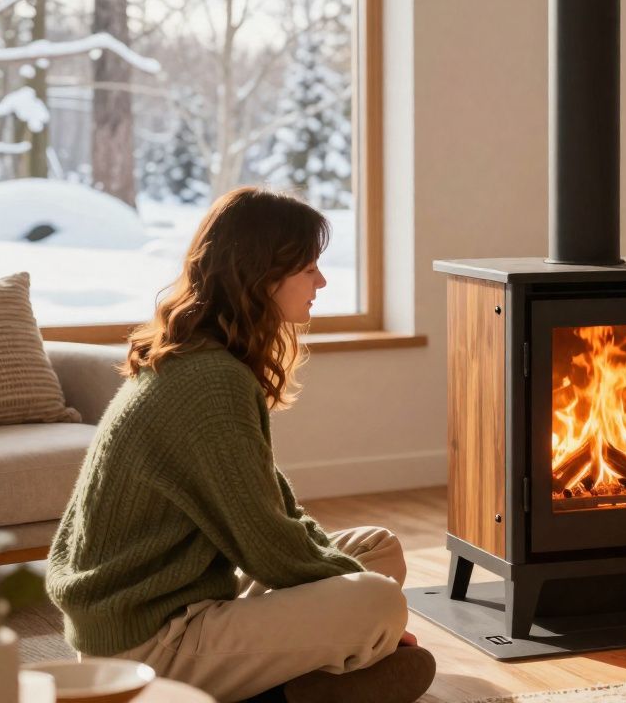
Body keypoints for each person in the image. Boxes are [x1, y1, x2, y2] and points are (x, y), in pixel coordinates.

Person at [46, 187, 436, 703]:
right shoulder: (209, 381)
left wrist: (351, 599)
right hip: (149, 641)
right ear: (262, 275)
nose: (321, 281)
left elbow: (276, 513)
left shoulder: (208, 360)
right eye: (308, 268)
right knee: (377, 600)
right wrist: (378, 617)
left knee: (376, 548)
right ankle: (284, 685)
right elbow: (269, 545)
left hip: (190, 601)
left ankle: (302, 675)